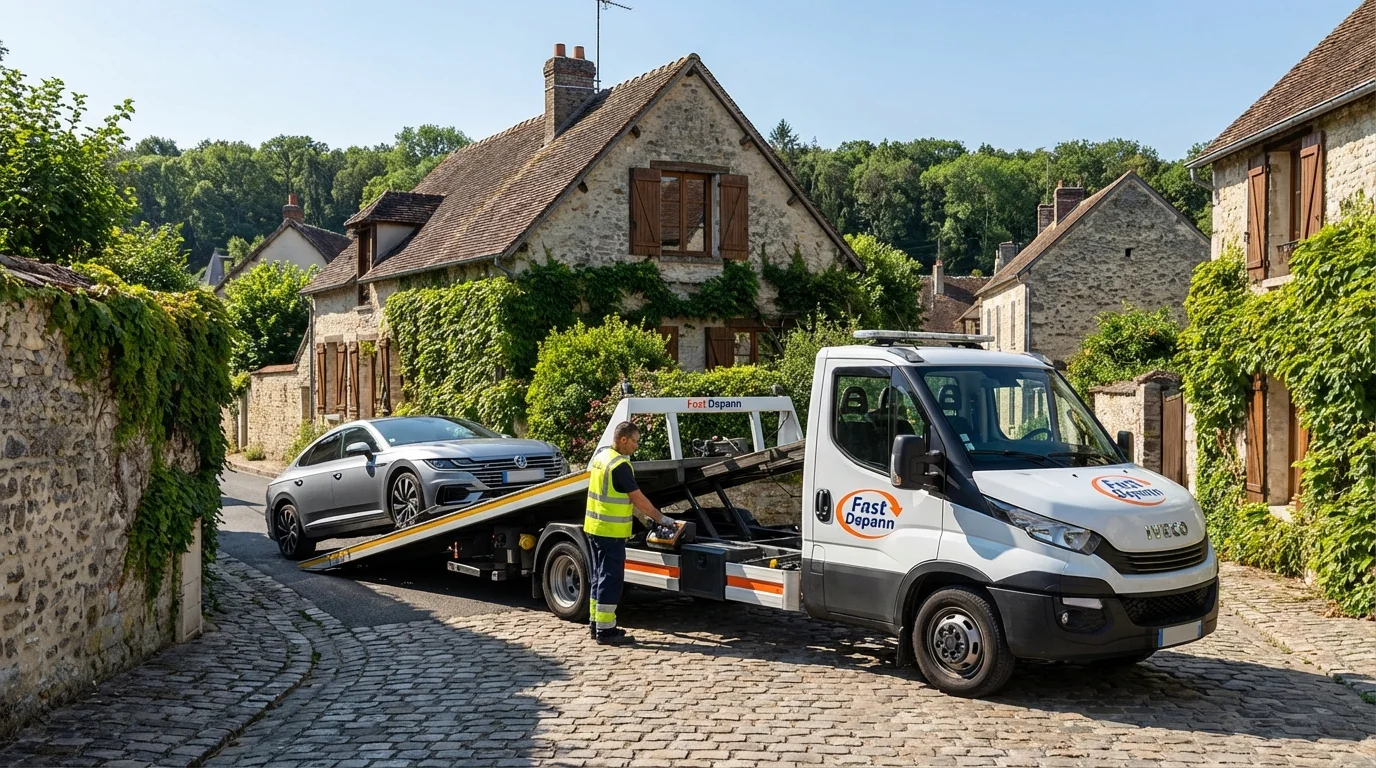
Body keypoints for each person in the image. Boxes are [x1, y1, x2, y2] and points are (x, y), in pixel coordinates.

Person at [584, 420, 674, 644]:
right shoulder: (619, 466)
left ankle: (596, 625)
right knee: (611, 579)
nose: (636, 446)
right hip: (610, 531)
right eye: (634, 441)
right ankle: (606, 631)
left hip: (594, 528)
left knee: (598, 577)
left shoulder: (602, 456)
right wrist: (661, 518)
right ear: (623, 439)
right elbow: (638, 499)